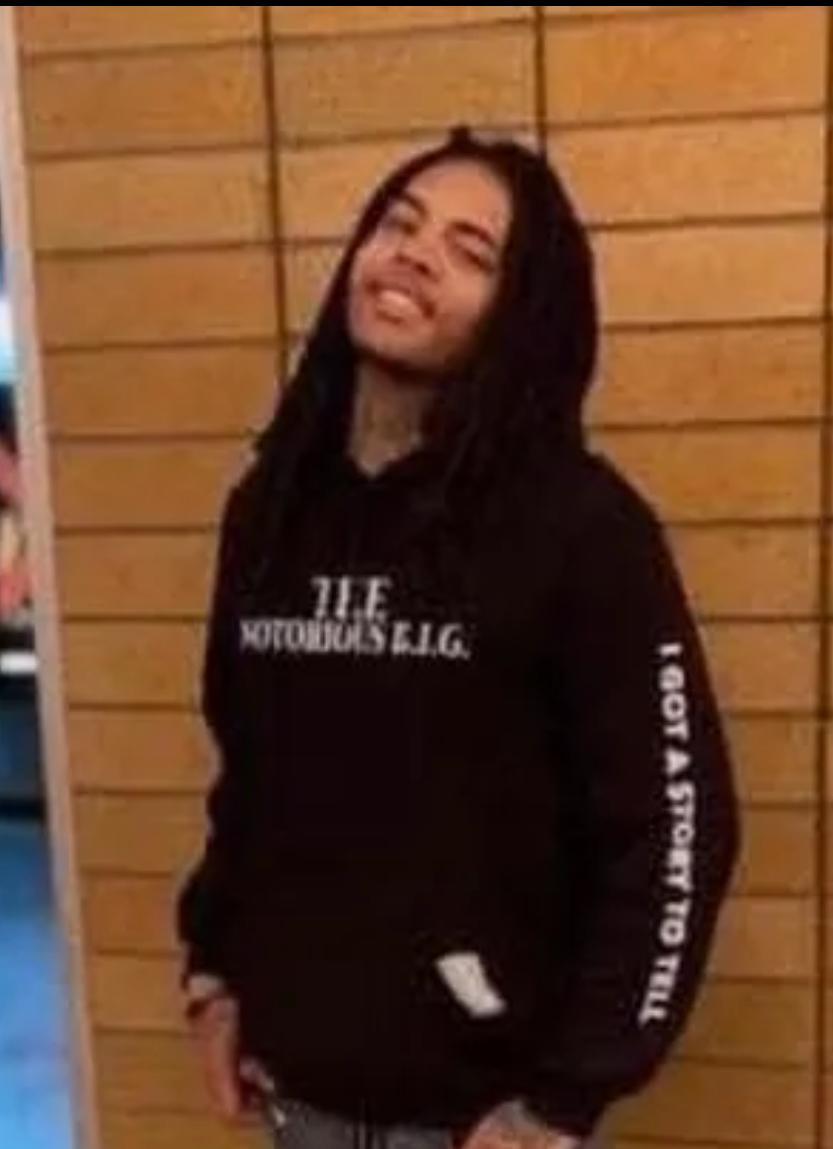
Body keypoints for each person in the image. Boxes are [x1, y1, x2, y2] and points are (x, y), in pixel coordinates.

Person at [175, 126, 740, 1149]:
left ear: (517, 313)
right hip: (295, 1097)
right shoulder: (271, 509)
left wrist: (565, 1098)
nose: (415, 253)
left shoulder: (580, 527)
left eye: (469, 251)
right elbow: (249, 773)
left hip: (482, 1119)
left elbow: (674, 829)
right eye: (399, 223)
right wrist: (213, 970)